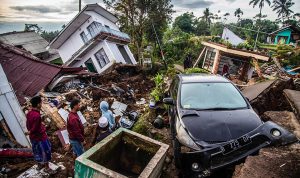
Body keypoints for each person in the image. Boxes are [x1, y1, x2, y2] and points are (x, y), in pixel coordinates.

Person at [26, 96, 53, 173]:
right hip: (40, 137)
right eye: (41, 102)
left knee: (36, 151)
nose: (41, 104)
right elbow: (35, 128)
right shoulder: (37, 116)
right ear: (38, 104)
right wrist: (42, 128)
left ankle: (39, 165)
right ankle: (47, 168)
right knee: (45, 151)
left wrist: (30, 131)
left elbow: (28, 125)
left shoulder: (29, 113)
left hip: (33, 138)